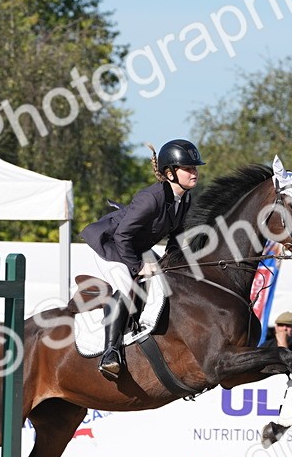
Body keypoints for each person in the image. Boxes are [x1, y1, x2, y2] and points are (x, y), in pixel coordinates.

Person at [79, 138, 205, 379]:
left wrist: (177, 264)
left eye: (195, 168)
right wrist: (138, 267)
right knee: (127, 287)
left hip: (135, 246)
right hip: (110, 244)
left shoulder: (185, 199)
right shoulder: (152, 197)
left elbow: (175, 241)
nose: (194, 173)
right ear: (170, 173)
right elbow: (122, 236)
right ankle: (110, 353)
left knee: (167, 281)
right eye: (188, 168)